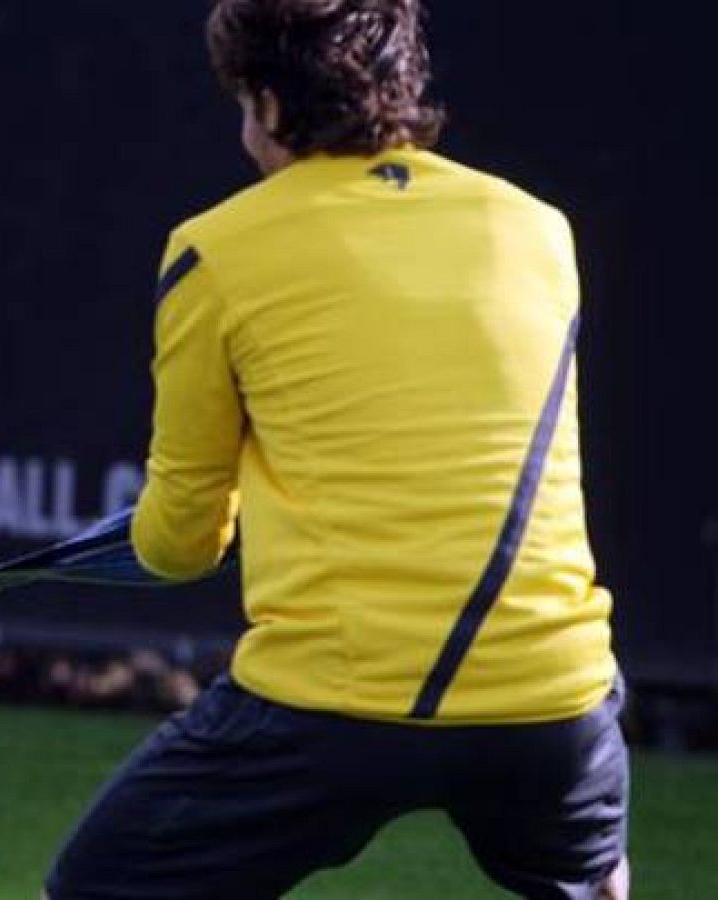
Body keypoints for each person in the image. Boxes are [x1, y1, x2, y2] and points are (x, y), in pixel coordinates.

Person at [44, 2, 629, 898]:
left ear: (272, 104)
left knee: (96, 886)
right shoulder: (539, 231)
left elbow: (183, 541)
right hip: (550, 694)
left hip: (334, 702)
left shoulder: (213, 251)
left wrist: (140, 537)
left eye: (243, 101)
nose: (243, 127)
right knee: (592, 875)